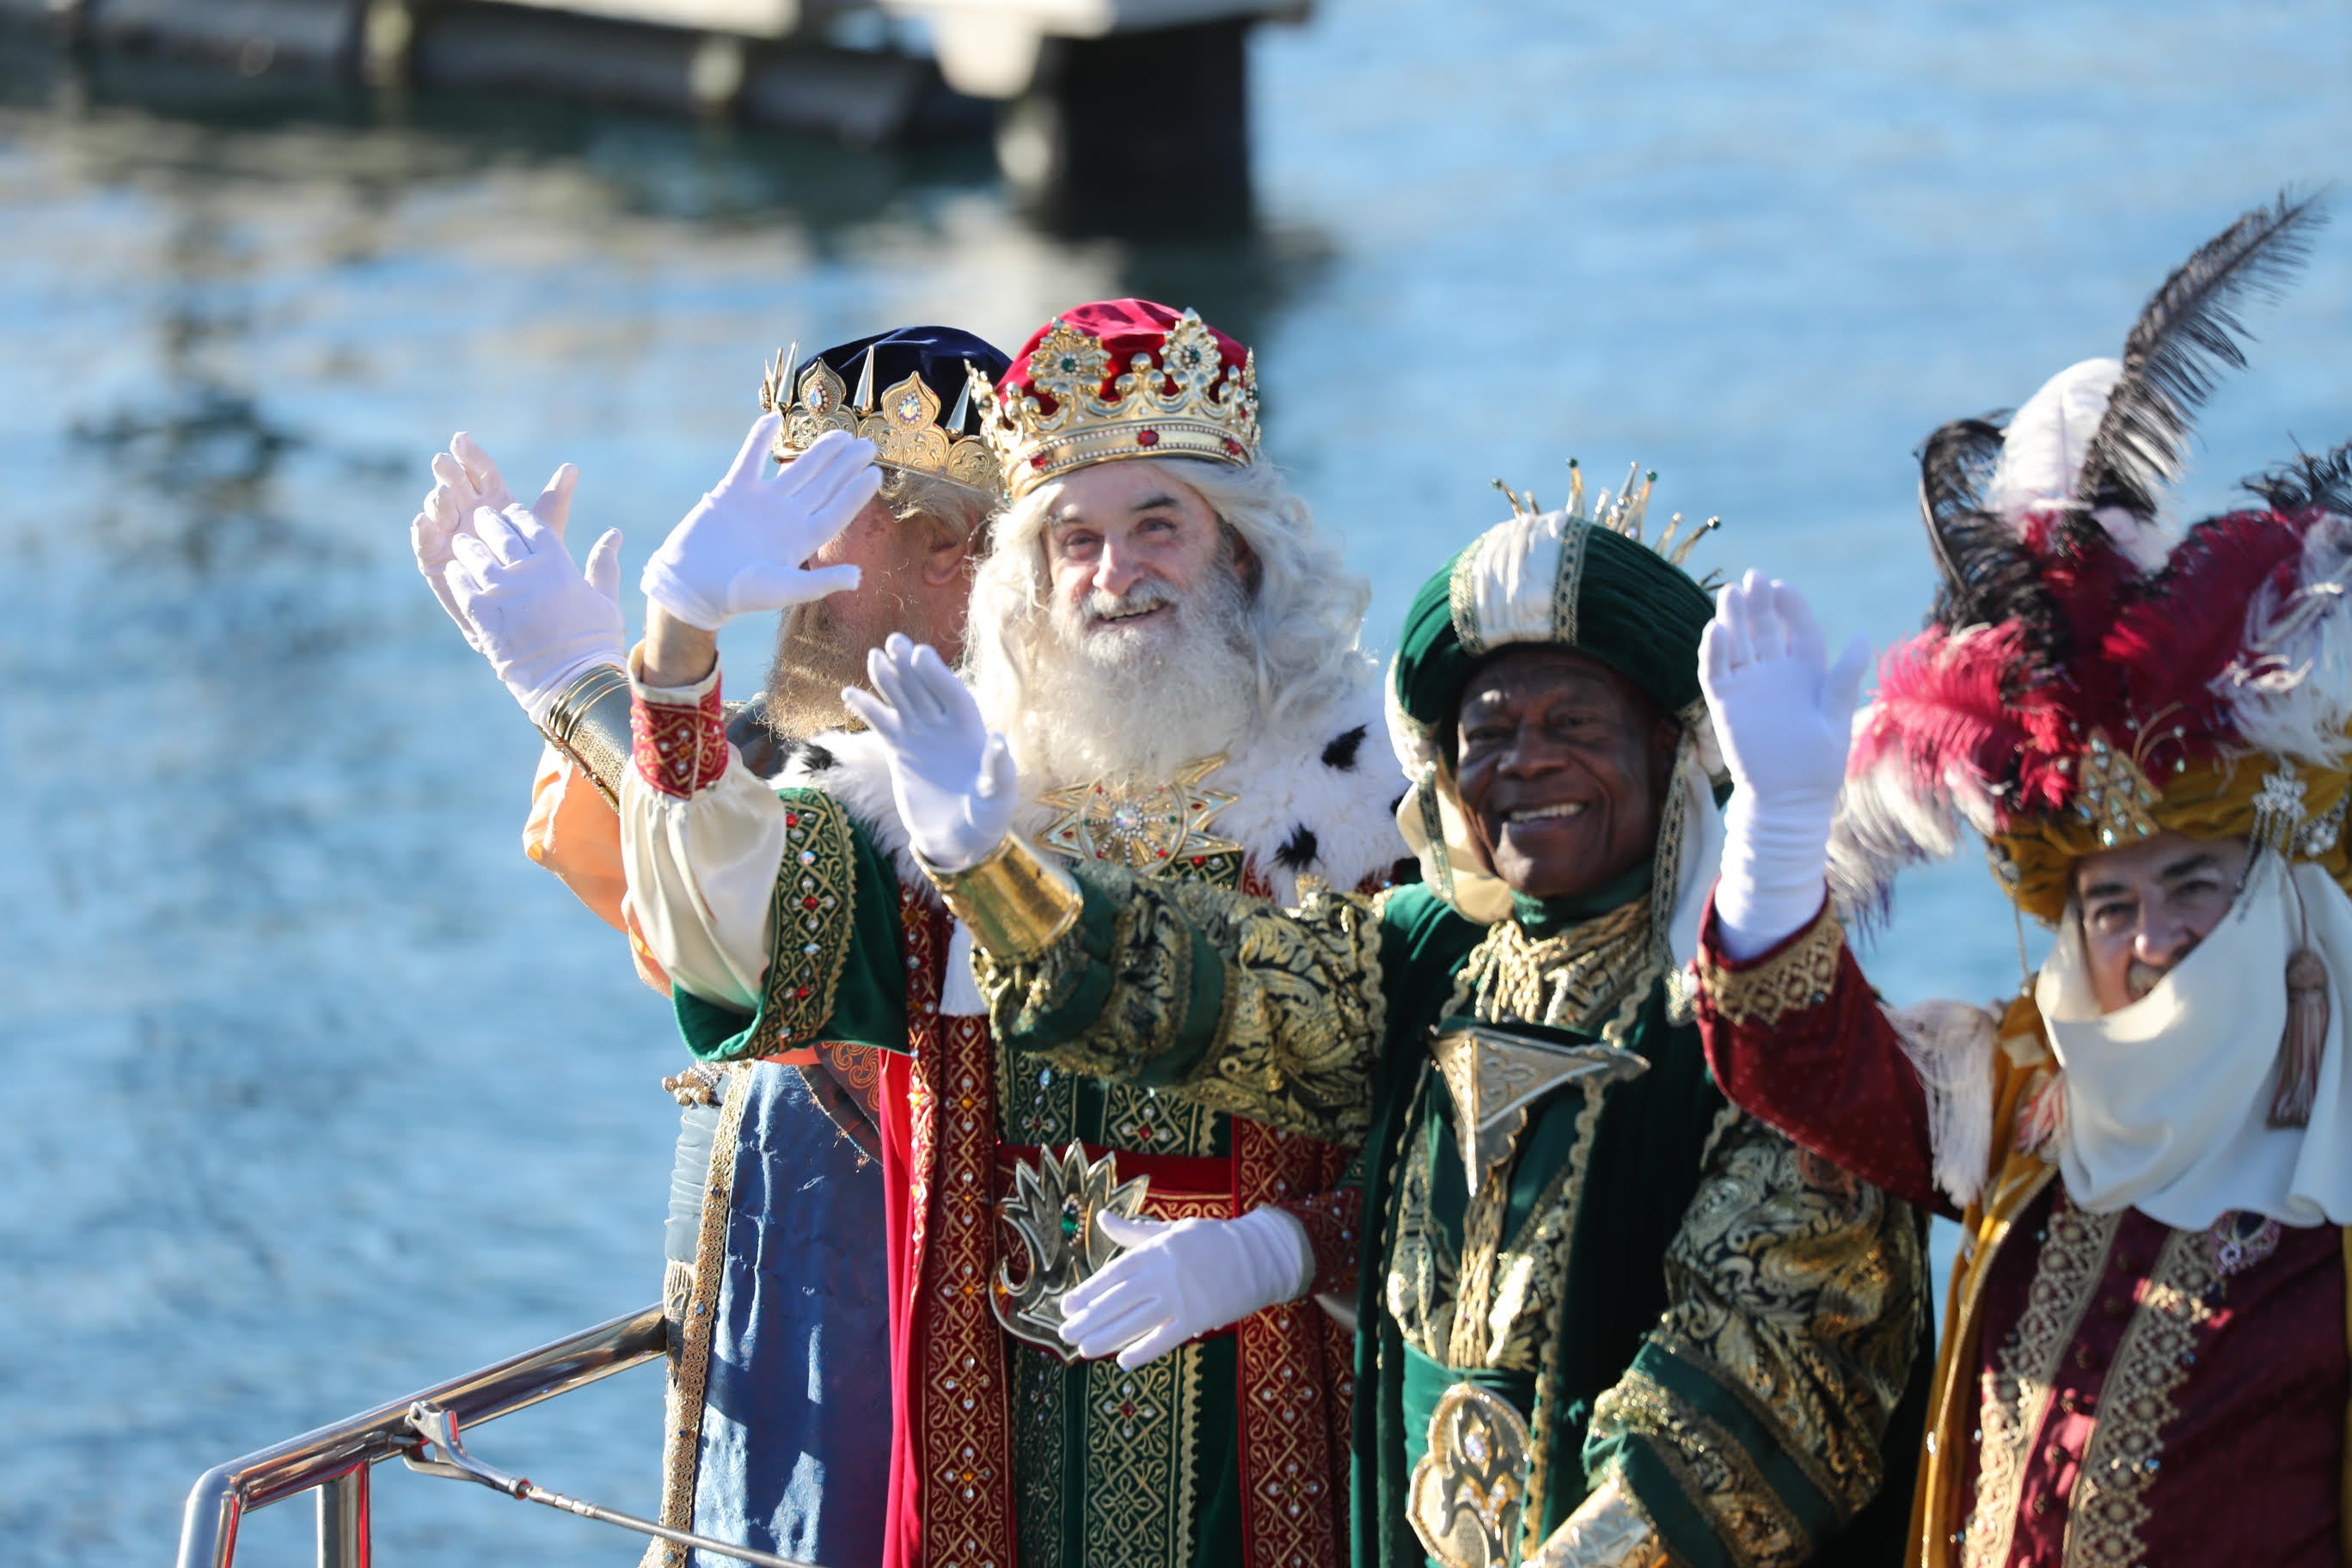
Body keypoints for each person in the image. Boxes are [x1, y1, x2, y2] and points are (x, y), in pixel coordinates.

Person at [858, 471, 1932, 1567]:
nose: (1527, 764)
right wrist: (989, 868)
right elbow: (1218, 989)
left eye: (1575, 722)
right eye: (1489, 732)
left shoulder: (1764, 1031)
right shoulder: (1433, 964)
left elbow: (1771, 1389)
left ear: (1667, 748)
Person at [618, 299, 1409, 1567]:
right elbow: (728, 937)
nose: (1115, 571)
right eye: (1074, 538)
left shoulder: (1363, 807)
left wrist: (1283, 1249)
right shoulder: (937, 797)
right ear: (1026, 579)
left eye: (1160, 525)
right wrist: (675, 651)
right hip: (999, 1445)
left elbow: (1465, 1162)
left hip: (1279, 1439)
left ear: (1242, 552)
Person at [1690, 194, 2352, 1565]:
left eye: (2194, 886)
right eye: (2107, 903)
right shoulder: (2040, 1122)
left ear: (2285, 899)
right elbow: (1809, 1070)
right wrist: (1780, 826)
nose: (2150, 937)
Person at [410, 324, 1010, 1568]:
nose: (771, 546)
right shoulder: (796, 737)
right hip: (768, 1334)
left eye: (818, 506)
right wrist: (597, 677)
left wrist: (580, 674)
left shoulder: (990, 785)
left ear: (957, 554)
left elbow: (765, 901)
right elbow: (666, 901)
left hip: (906, 1376)